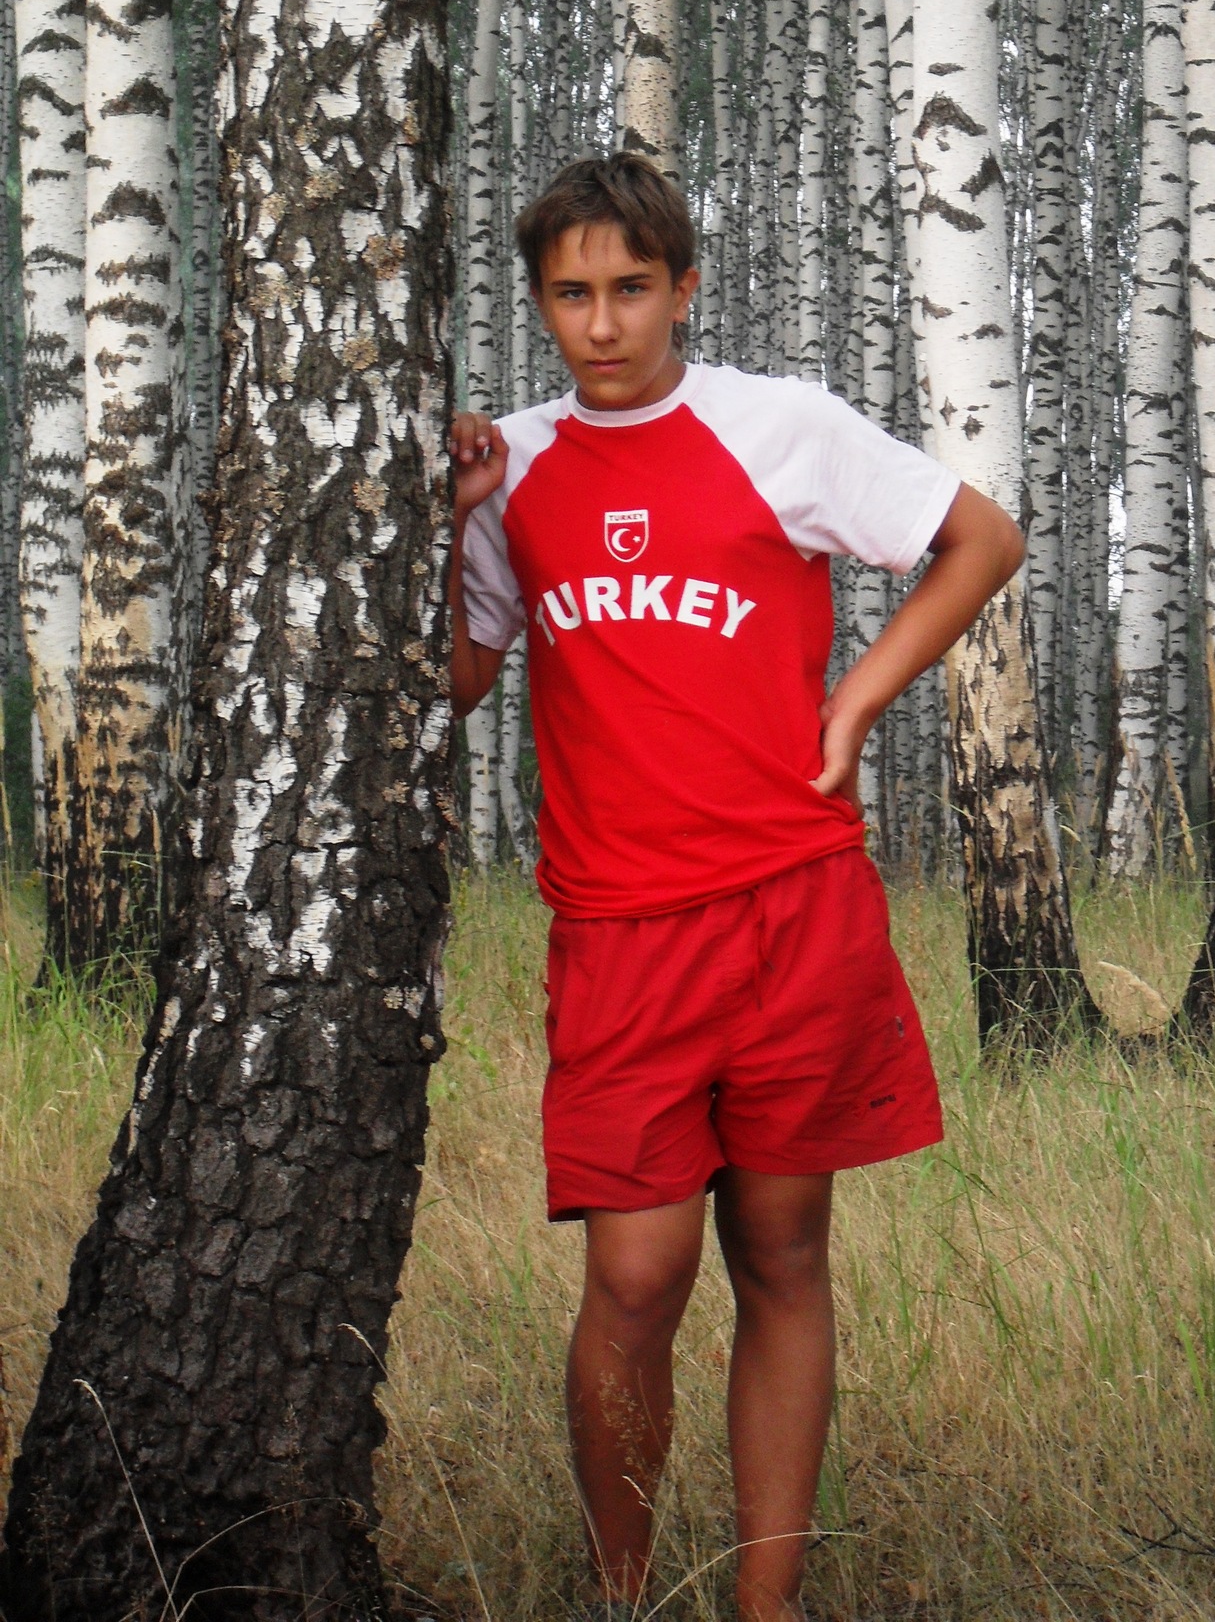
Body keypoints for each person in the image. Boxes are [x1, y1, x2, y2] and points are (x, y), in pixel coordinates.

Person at [448, 155, 1023, 1622]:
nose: (601, 323)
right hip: (619, 929)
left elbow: (981, 540)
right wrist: (446, 522)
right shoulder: (515, 466)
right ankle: (626, 1592)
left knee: (780, 1250)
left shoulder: (782, 427)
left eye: (631, 289)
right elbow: (455, 680)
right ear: (539, 303)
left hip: (792, 908)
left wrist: (857, 704)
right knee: (637, 1278)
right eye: (570, 294)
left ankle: (766, 1604)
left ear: (684, 289)